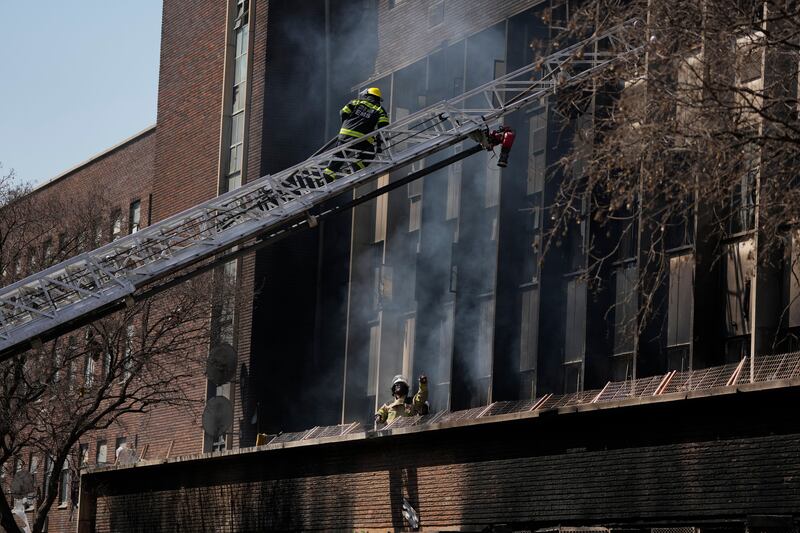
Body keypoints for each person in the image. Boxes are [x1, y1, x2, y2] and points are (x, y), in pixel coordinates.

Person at [323, 87, 390, 182]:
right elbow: (383, 127)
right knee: (369, 154)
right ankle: (356, 166)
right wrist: (379, 144)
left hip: (345, 134)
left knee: (339, 155)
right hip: (363, 139)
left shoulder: (356, 102)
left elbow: (343, 112)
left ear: (367, 95)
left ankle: (328, 175)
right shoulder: (380, 109)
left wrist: (346, 125)